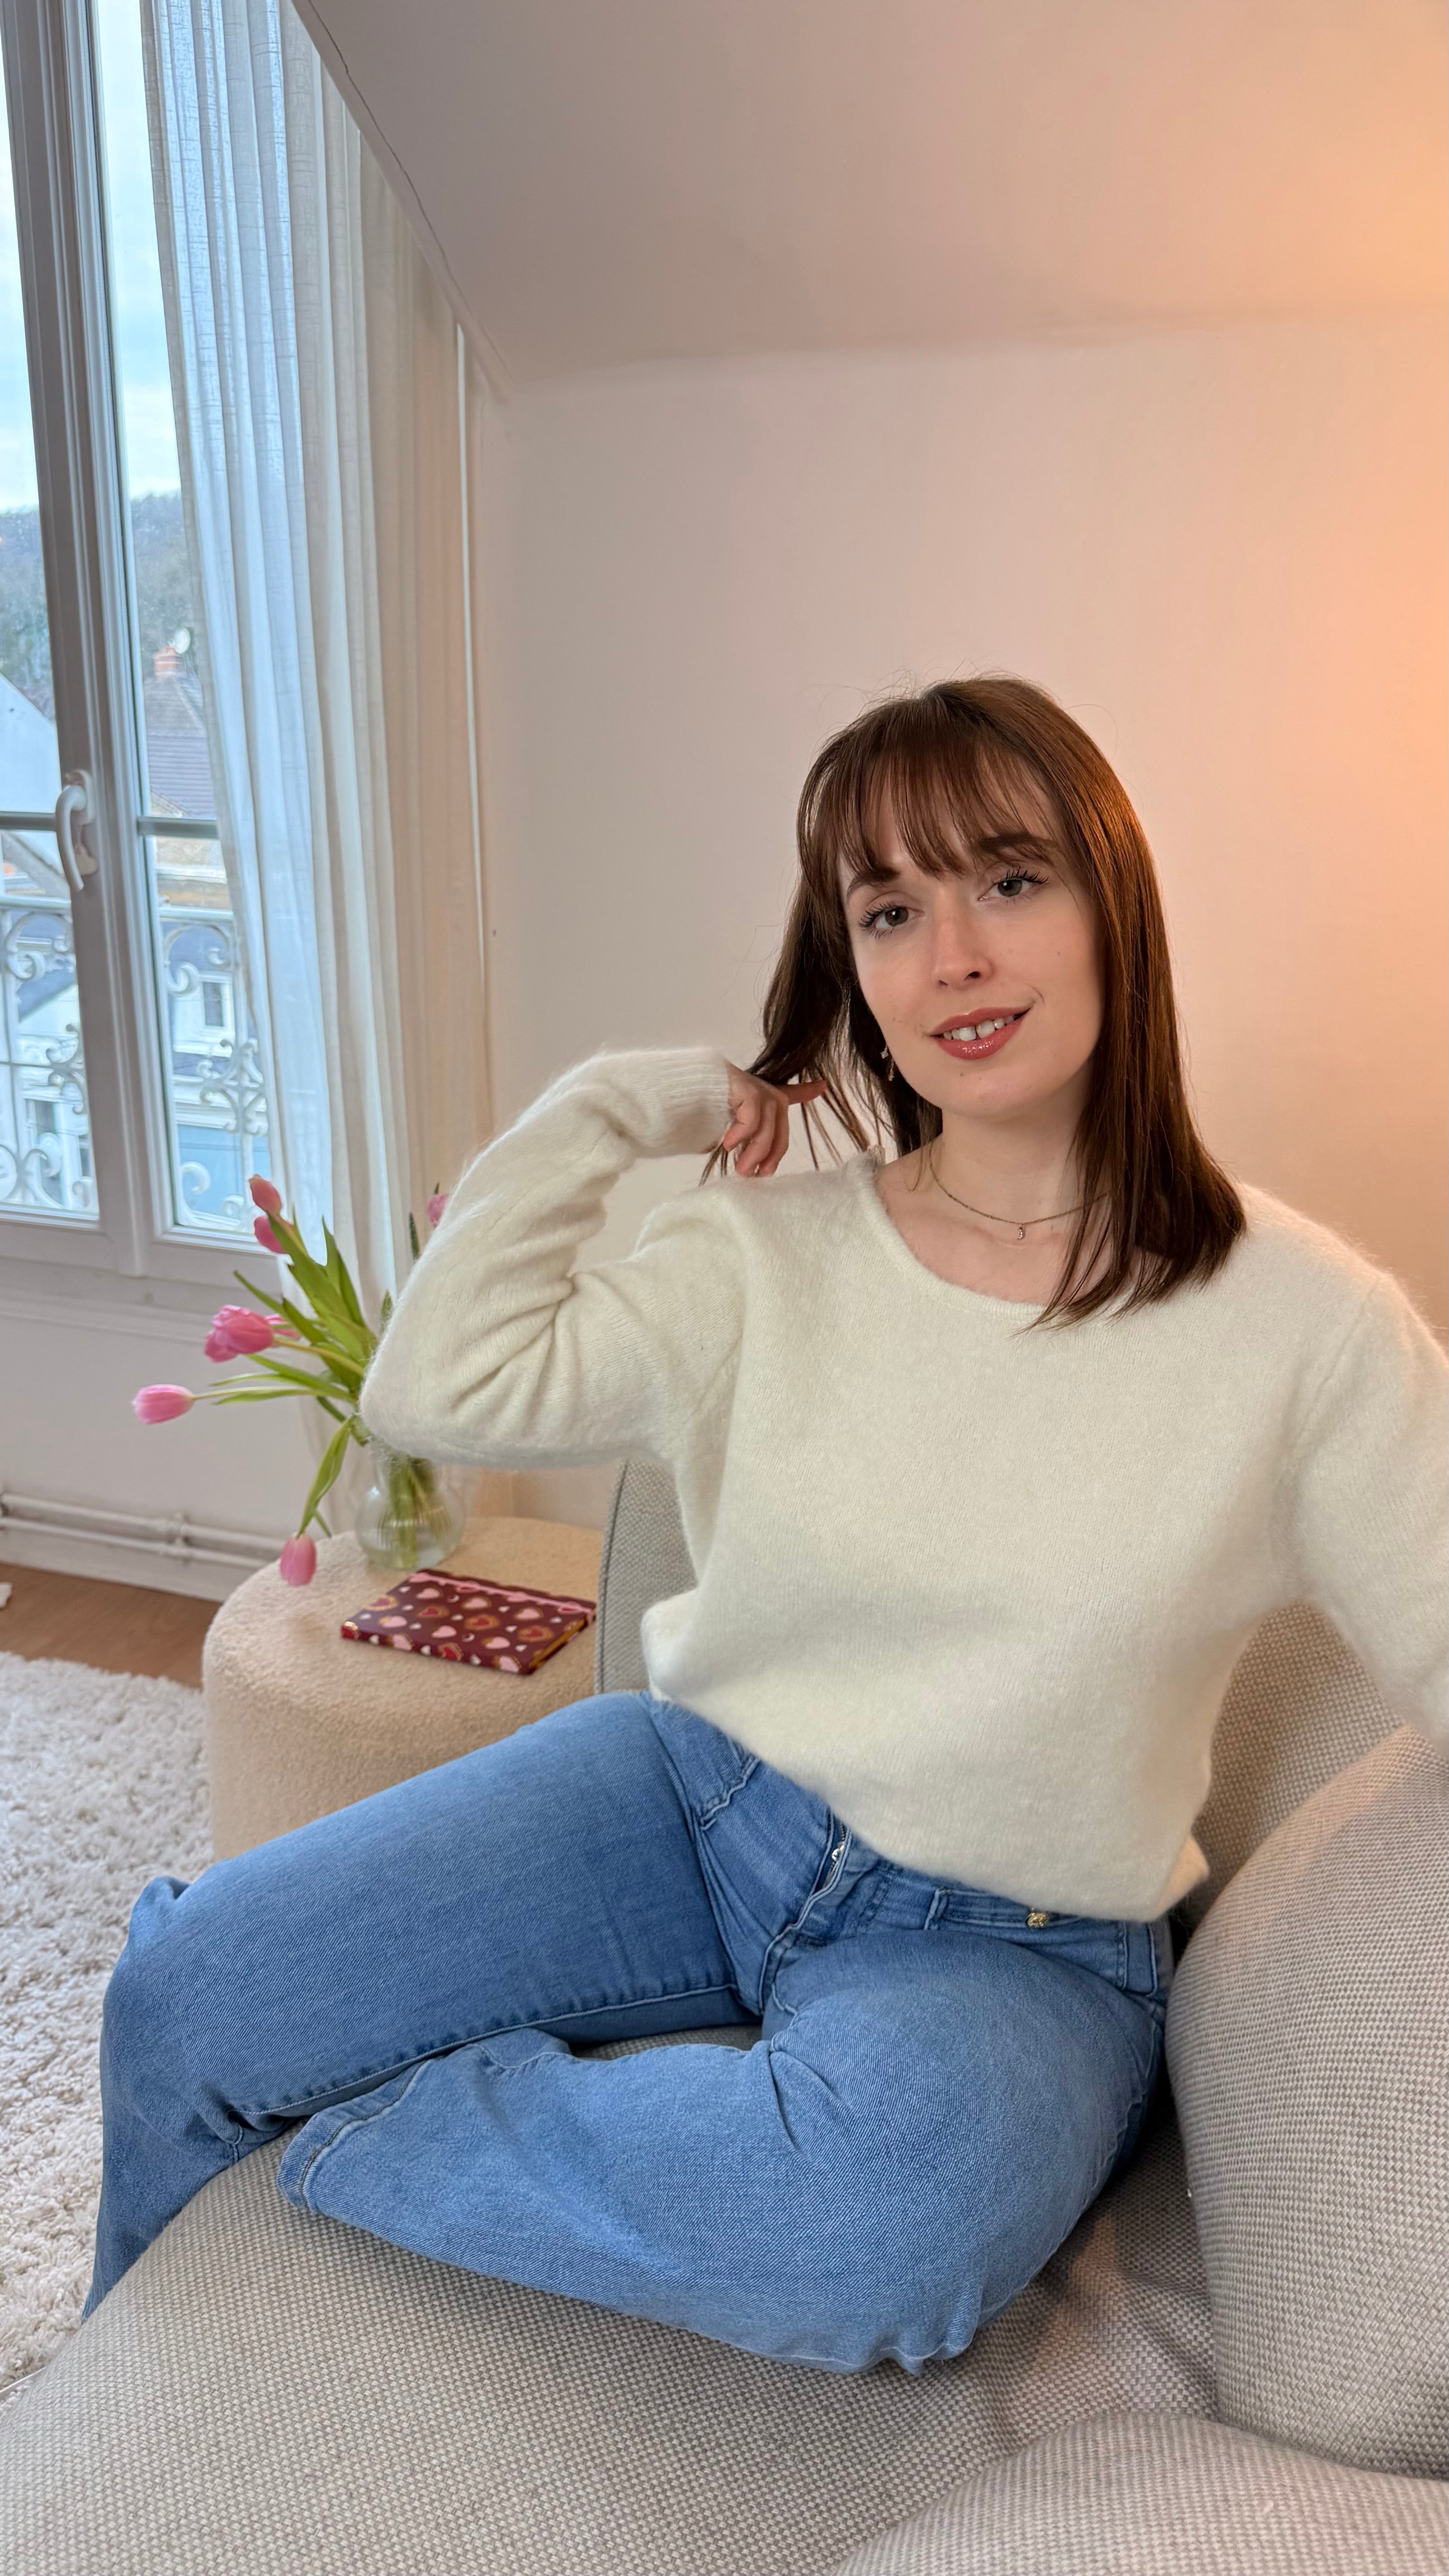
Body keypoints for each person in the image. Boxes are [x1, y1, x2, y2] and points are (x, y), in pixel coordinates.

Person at [80, 676, 1448, 2374]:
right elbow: (437, 1387)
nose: (953, 956)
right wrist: (622, 1107)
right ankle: (78, 2442)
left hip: (1015, 1949)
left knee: (873, 2233)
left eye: (1011, 880)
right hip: (691, 1800)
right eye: (891, 911)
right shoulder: (763, 1259)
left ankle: (355, 2135)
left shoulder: (1302, 1324)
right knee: (183, 1999)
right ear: (850, 966)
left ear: (1115, 901)